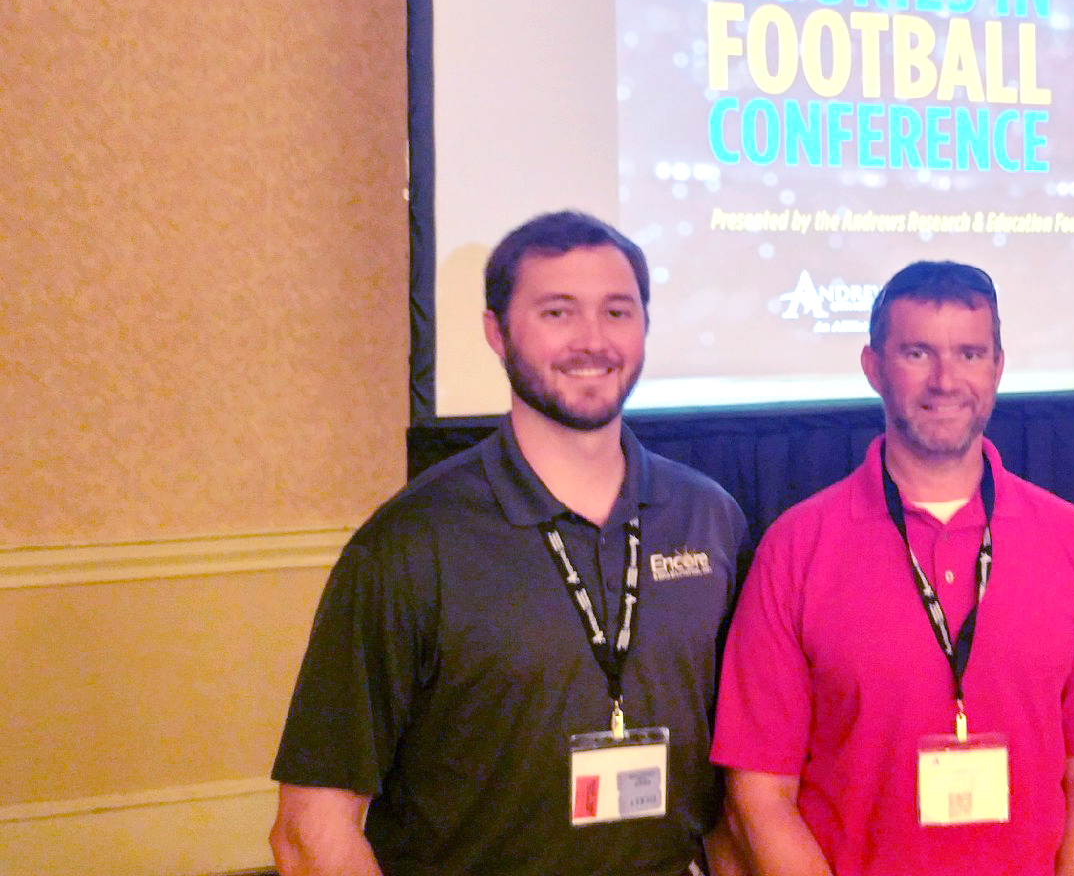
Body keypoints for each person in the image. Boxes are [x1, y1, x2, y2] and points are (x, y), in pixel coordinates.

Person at [269, 211, 749, 876]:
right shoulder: (409, 544)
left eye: (617, 312)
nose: (593, 340)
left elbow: (734, 798)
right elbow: (309, 830)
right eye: (557, 313)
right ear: (496, 332)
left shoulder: (709, 520)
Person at [713, 261, 1074, 876]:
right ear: (873, 367)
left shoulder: (1072, 541)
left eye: (969, 353)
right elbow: (759, 792)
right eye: (917, 352)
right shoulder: (795, 548)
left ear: (997, 367)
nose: (946, 380)